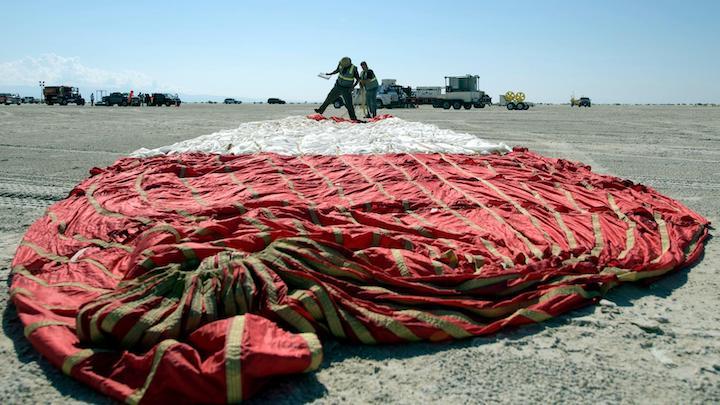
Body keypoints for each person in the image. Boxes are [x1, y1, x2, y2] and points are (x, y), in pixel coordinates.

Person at [315, 57, 360, 121]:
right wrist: (330, 73)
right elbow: (337, 70)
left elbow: (358, 79)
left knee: (349, 104)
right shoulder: (340, 64)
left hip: (347, 89)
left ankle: (353, 118)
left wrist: (352, 87)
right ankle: (320, 111)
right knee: (329, 98)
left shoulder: (354, 68)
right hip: (338, 86)